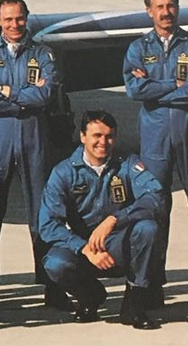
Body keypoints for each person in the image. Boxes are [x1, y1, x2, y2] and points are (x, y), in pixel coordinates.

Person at [123, 0, 188, 302]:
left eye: (171, 5)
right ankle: (151, 284)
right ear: (149, 11)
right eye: (159, 7)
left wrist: (156, 88)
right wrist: (173, 83)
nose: (166, 12)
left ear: (178, 7)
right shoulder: (138, 49)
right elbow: (135, 90)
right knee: (154, 205)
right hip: (155, 136)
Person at [0, 0, 63, 306]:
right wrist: (25, 96)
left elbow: (46, 96)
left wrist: (7, 91)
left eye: (19, 18)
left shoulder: (43, 54)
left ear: (27, 18)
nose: (14, 25)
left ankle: (51, 285)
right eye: (8, 19)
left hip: (33, 139)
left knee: (42, 215)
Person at [39, 110, 166, 330]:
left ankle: (134, 303)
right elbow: (48, 224)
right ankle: (89, 296)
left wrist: (115, 219)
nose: (103, 142)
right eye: (97, 135)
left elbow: (155, 197)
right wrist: (84, 248)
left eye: (109, 136)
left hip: (118, 245)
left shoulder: (127, 164)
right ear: (83, 136)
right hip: (83, 250)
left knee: (148, 229)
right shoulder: (63, 172)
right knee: (55, 263)